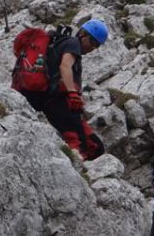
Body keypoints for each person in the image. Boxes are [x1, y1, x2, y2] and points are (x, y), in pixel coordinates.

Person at [23, 19, 108, 160]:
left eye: (97, 46)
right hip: (60, 101)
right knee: (90, 147)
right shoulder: (73, 44)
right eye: (92, 42)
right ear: (82, 33)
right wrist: (73, 93)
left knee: (83, 143)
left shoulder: (60, 44)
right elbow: (65, 66)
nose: (93, 48)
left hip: (51, 101)